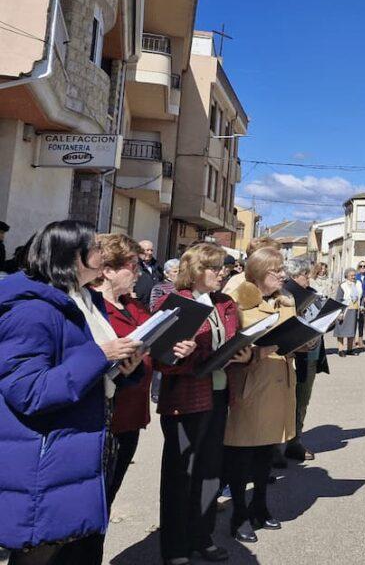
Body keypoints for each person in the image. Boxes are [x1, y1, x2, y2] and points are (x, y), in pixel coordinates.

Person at [0, 221, 143, 564]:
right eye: (94, 247)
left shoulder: (84, 301)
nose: (102, 253)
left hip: (83, 446)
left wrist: (125, 369)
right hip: (45, 458)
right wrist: (101, 354)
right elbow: (29, 390)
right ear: (72, 257)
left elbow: (89, 372)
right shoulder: (31, 310)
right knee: (44, 553)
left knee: (79, 550)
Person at [156, 242, 244, 565]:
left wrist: (242, 355)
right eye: (214, 267)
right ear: (194, 270)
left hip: (220, 396)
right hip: (184, 400)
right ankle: (176, 548)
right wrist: (190, 354)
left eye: (223, 267)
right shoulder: (174, 303)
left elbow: (234, 342)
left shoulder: (226, 303)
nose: (222, 272)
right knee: (181, 475)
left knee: (209, 472)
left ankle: (202, 537)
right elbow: (161, 360)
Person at [94, 234, 196, 508]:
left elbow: (157, 353)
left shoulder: (134, 306)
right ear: (108, 270)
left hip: (131, 416)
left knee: (108, 498)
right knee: (94, 503)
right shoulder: (92, 308)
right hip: (103, 419)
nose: (139, 273)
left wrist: (178, 352)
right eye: (132, 266)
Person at [224, 247, 296, 542]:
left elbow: (291, 337)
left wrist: (304, 339)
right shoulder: (237, 302)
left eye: (282, 270)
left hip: (279, 384)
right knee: (242, 457)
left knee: (266, 454)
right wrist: (255, 353)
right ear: (257, 274)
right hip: (251, 387)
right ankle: (239, 514)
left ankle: (260, 507)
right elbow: (228, 349)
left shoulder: (286, 302)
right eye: (275, 271)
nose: (282, 275)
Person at [284, 257, 329, 461]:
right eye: (305, 275)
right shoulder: (286, 295)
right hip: (294, 356)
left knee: (302, 400)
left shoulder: (311, 294)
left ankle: (295, 440)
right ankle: (281, 445)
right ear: (294, 276)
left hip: (311, 354)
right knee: (288, 401)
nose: (308, 280)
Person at [334, 267, 364, 356]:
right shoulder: (343, 285)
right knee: (341, 330)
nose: (353, 277)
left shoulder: (358, 283)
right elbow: (338, 299)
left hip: (354, 310)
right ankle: (340, 350)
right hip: (344, 310)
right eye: (351, 275)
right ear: (346, 276)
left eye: (354, 275)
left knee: (351, 330)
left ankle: (350, 349)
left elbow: (361, 296)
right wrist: (339, 312)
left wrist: (362, 305)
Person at [133, 239, 164, 308]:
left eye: (151, 250)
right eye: (147, 250)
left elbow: (161, 281)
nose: (150, 253)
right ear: (139, 251)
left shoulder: (157, 266)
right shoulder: (134, 265)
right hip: (139, 305)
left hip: (154, 306)